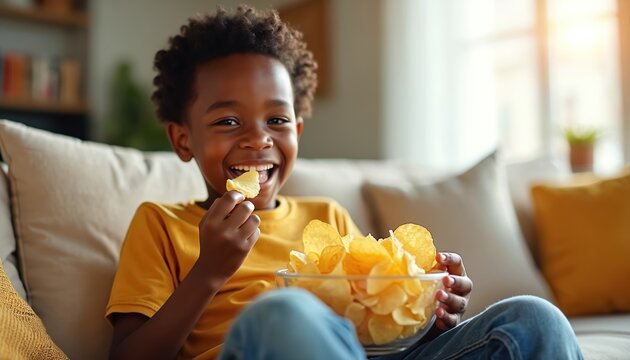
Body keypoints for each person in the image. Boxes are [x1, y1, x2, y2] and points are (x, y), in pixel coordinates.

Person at [105, 5, 583, 360]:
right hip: (263, 344)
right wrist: (208, 272)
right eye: (229, 121)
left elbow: (372, 334)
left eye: (277, 119)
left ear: (298, 132)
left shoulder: (327, 216)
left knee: (531, 319)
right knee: (284, 313)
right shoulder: (161, 225)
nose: (258, 139)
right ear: (182, 139)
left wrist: (428, 312)